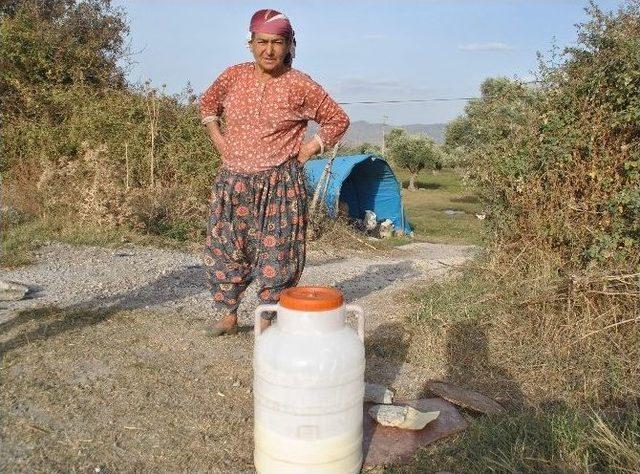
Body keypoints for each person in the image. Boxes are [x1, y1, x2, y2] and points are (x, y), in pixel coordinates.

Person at [199, 9, 350, 336]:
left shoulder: (300, 85)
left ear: (290, 45)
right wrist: (220, 142)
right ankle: (228, 314)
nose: (269, 50)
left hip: (280, 183)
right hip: (232, 181)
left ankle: (265, 317)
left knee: (277, 253)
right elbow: (208, 105)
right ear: (250, 43)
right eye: (262, 42)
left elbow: (337, 120)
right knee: (225, 247)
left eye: (277, 42)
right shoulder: (232, 77)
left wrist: (310, 148)